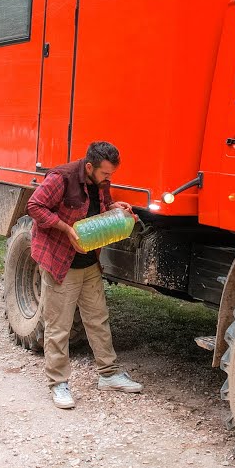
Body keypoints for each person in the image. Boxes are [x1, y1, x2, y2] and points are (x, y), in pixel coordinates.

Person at [26, 141, 144, 409]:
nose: (108, 178)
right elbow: (34, 206)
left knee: (98, 319)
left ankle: (109, 374)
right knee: (59, 327)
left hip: (89, 261)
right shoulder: (61, 178)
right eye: (105, 173)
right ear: (89, 167)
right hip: (61, 261)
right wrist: (66, 229)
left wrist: (115, 208)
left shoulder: (100, 181)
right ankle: (58, 383)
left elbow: (98, 208)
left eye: (111, 174)